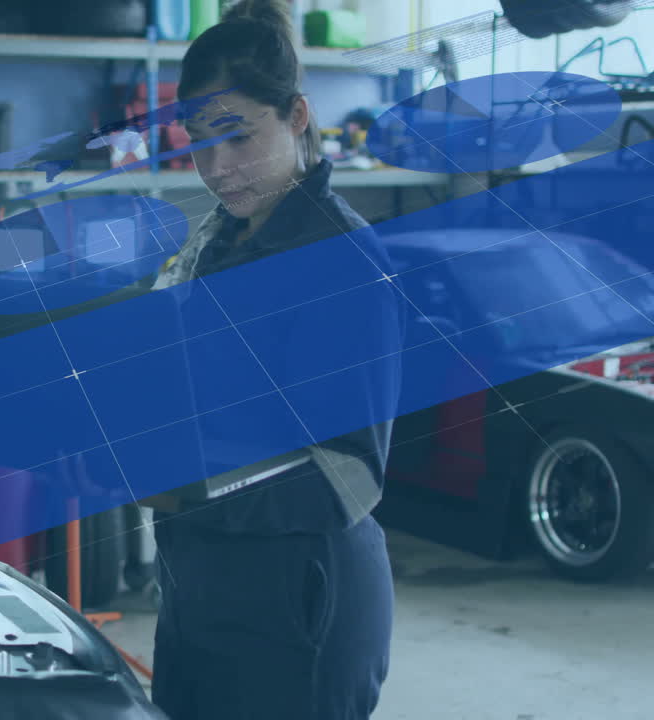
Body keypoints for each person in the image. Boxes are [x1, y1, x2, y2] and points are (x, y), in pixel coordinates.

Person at [143, 1, 406, 719]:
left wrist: (179, 483)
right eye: (198, 142)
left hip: (300, 608)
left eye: (237, 136)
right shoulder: (218, 243)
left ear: (295, 115)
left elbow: (347, 480)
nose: (216, 169)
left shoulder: (340, 265)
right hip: (204, 591)